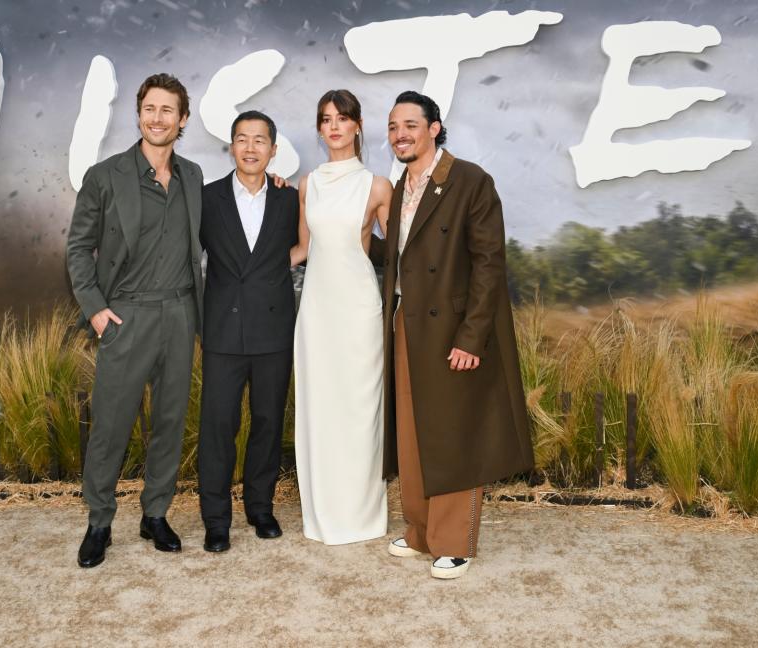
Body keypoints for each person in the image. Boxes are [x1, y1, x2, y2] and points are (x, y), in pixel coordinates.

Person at [380, 91, 534, 579]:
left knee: (451, 434)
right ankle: (421, 531)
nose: (400, 134)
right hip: (406, 324)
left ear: (434, 127)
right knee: (411, 434)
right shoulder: (399, 184)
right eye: (392, 127)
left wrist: (471, 338)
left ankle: (453, 542)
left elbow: (490, 265)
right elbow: (397, 257)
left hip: (450, 329)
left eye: (409, 124)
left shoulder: (469, 180)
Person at [67, 73, 204, 567]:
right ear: (139, 114)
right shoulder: (106, 176)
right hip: (126, 315)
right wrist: (97, 311)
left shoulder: (192, 176)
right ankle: (99, 522)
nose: (158, 118)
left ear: (182, 120)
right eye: (150, 108)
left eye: (168, 110)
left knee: (169, 421)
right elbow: (79, 248)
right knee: (112, 425)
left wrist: (269, 184)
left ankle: (155, 514)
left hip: (180, 312)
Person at [290, 89, 393, 545]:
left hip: (358, 310)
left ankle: (361, 515)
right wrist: (246, 267)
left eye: (342, 118)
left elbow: (403, 251)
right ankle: (323, 514)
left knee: (359, 409)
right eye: (326, 118)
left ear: (357, 125)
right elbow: (303, 249)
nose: (334, 126)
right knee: (321, 408)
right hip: (317, 310)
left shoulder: (377, 186)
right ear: (319, 128)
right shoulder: (307, 184)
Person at [197, 111, 299, 552]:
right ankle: (216, 519)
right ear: (232, 147)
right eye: (242, 139)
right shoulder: (206, 198)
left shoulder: (290, 199)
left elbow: (305, 247)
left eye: (260, 140)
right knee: (218, 426)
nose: (251, 147)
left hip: (273, 329)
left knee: (267, 423)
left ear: (273, 150)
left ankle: (260, 508)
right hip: (222, 330)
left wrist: (276, 270)